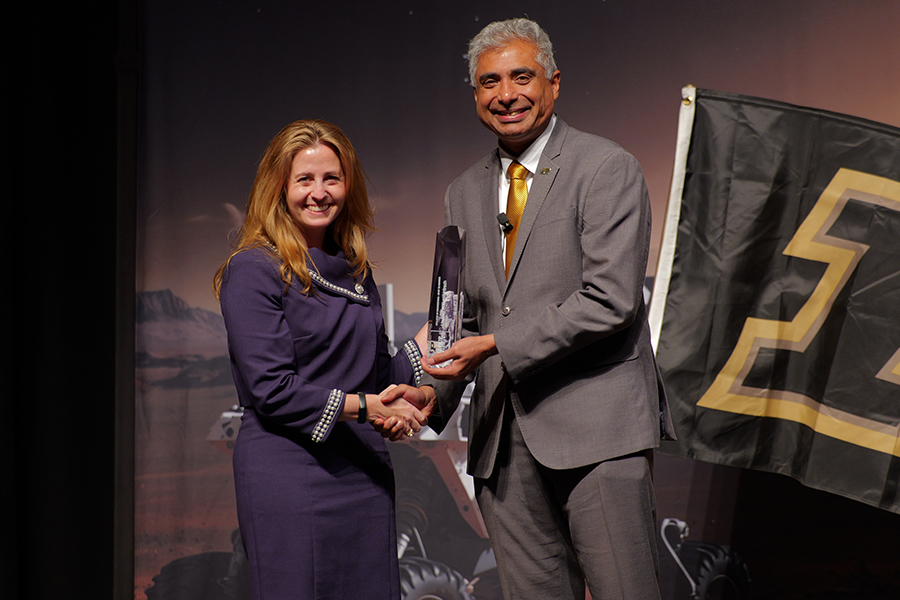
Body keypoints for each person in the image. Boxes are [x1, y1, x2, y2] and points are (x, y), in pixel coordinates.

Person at [387, 18, 677, 600]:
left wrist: (497, 344)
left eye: (522, 77)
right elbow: (458, 318)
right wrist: (431, 393)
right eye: (489, 82)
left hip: (598, 435)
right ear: (475, 95)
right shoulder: (461, 192)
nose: (506, 94)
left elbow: (610, 299)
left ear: (554, 83)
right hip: (502, 445)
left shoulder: (605, 166)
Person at [213, 119, 431, 600]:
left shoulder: (356, 271)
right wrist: (368, 408)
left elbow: (377, 379)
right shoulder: (253, 269)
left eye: (332, 178)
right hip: (288, 474)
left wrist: (427, 342)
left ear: (348, 186)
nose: (319, 192)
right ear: (279, 187)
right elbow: (272, 389)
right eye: (304, 179)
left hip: (363, 473)